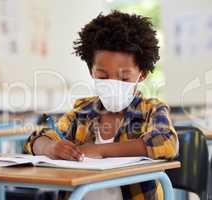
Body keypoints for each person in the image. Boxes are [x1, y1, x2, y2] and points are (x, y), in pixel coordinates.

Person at [24, 10, 179, 200]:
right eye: (103, 76)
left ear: (142, 74)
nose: (112, 83)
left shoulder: (151, 110)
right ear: (91, 71)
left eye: (124, 77)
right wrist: (50, 147)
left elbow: (166, 142)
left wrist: (100, 150)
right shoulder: (82, 112)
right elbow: (36, 138)